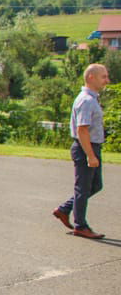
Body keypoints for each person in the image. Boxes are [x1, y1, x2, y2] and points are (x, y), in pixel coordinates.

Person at [53, 63, 111, 239]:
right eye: (104, 77)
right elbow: (82, 130)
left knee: (95, 186)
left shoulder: (92, 98)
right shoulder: (86, 100)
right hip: (85, 147)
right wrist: (90, 155)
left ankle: (64, 209)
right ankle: (81, 226)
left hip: (91, 146)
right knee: (83, 188)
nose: (107, 81)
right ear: (91, 77)